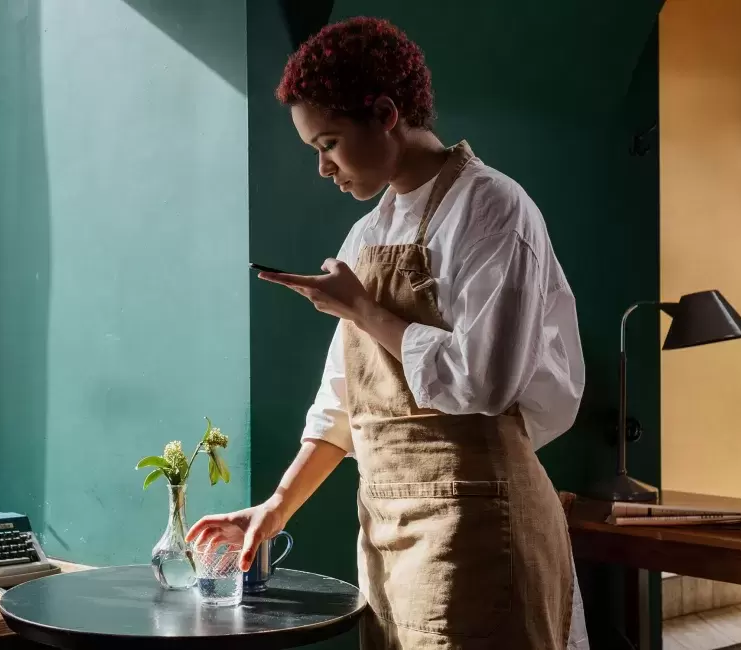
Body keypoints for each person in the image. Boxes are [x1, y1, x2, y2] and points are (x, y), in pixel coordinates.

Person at [187, 17, 589, 649]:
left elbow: (483, 382)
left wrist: (365, 311)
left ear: (384, 112)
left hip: (480, 520)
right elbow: (346, 402)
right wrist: (276, 507)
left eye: (329, 143)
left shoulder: (494, 210)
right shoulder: (368, 235)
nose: (322, 168)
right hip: (385, 526)